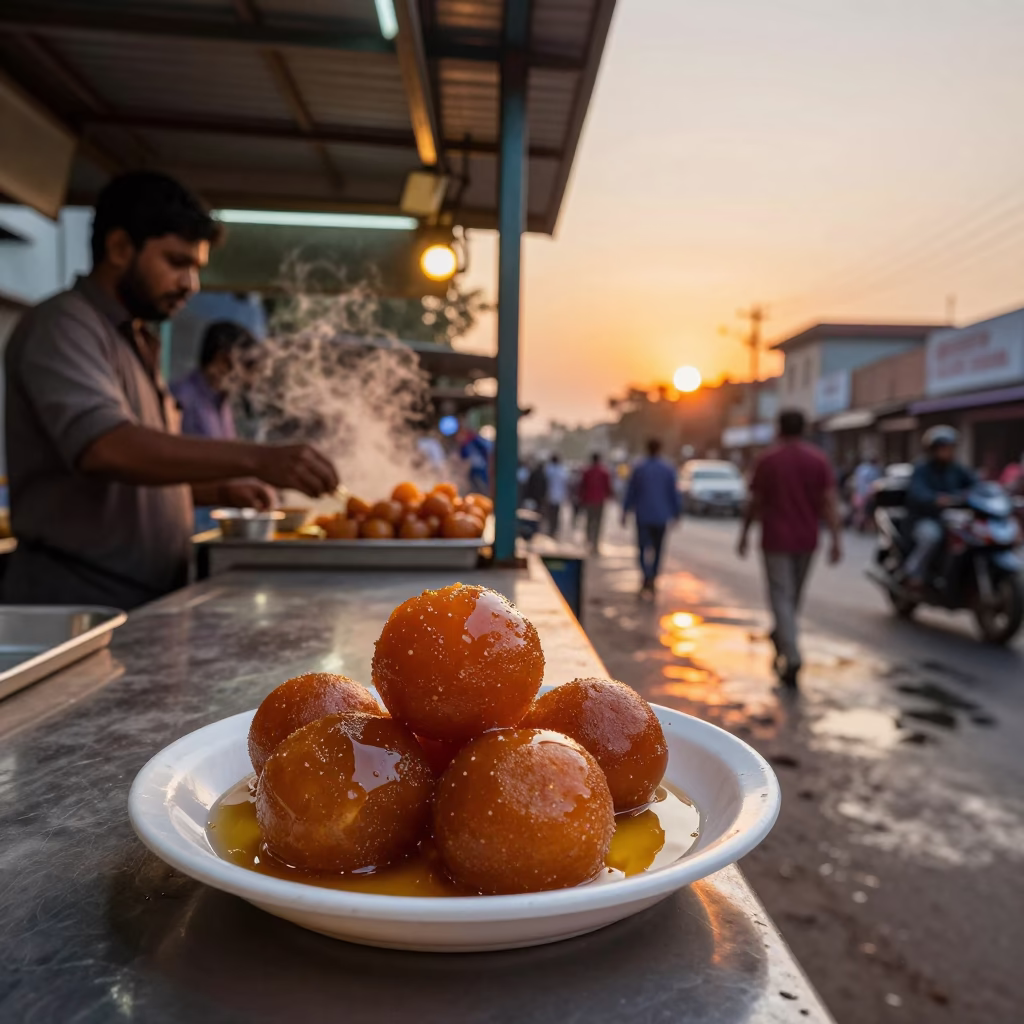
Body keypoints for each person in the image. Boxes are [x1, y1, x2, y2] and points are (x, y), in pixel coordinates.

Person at [4, 171, 339, 610]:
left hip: (139, 597)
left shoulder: (138, 339)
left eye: (196, 268)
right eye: (177, 263)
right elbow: (107, 449)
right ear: (120, 248)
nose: (191, 284)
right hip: (75, 598)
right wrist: (260, 458)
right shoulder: (64, 326)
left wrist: (218, 491)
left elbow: (130, 481)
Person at [737, 409, 842, 687]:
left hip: (776, 539)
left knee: (783, 596)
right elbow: (828, 501)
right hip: (807, 539)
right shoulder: (818, 460)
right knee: (792, 596)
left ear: (779, 428)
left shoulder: (768, 460)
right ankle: (783, 638)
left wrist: (744, 533)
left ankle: (791, 653)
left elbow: (754, 500)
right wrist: (836, 539)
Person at [903, 425, 976, 587]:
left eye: (951, 448)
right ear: (933, 450)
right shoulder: (922, 469)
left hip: (953, 519)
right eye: (944, 448)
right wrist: (935, 499)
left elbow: (975, 484)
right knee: (931, 536)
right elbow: (917, 491)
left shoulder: (957, 469)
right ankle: (914, 571)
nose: (948, 452)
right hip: (926, 518)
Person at [171, 320, 256, 439]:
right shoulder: (182, 399)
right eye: (246, 367)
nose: (250, 380)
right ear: (222, 360)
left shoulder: (221, 403)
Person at [623, 439, 681, 595]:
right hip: (661, 517)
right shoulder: (668, 469)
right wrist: (676, 513)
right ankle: (652, 575)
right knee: (658, 549)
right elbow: (674, 494)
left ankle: (646, 574)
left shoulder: (640, 468)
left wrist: (625, 511)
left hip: (643, 516)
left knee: (642, 548)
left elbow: (630, 492)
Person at [579, 452, 614, 553]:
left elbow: (582, 486)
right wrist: (609, 496)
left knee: (589, 521)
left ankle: (589, 541)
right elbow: (608, 487)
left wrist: (581, 499)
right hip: (599, 501)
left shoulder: (587, 472)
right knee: (597, 523)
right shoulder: (604, 472)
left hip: (588, 500)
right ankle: (595, 544)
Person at [850, 454, 882, 531]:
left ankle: (860, 525)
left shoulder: (861, 469)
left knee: (861, 510)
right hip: (868, 493)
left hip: (860, 493)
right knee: (867, 511)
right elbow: (873, 483)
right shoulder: (873, 470)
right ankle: (866, 525)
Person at [543, 454, 570, 537]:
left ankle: (551, 531)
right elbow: (566, 484)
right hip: (558, 496)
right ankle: (554, 531)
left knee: (550, 514)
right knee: (555, 515)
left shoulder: (548, 469)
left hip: (549, 495)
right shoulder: (562, 470)